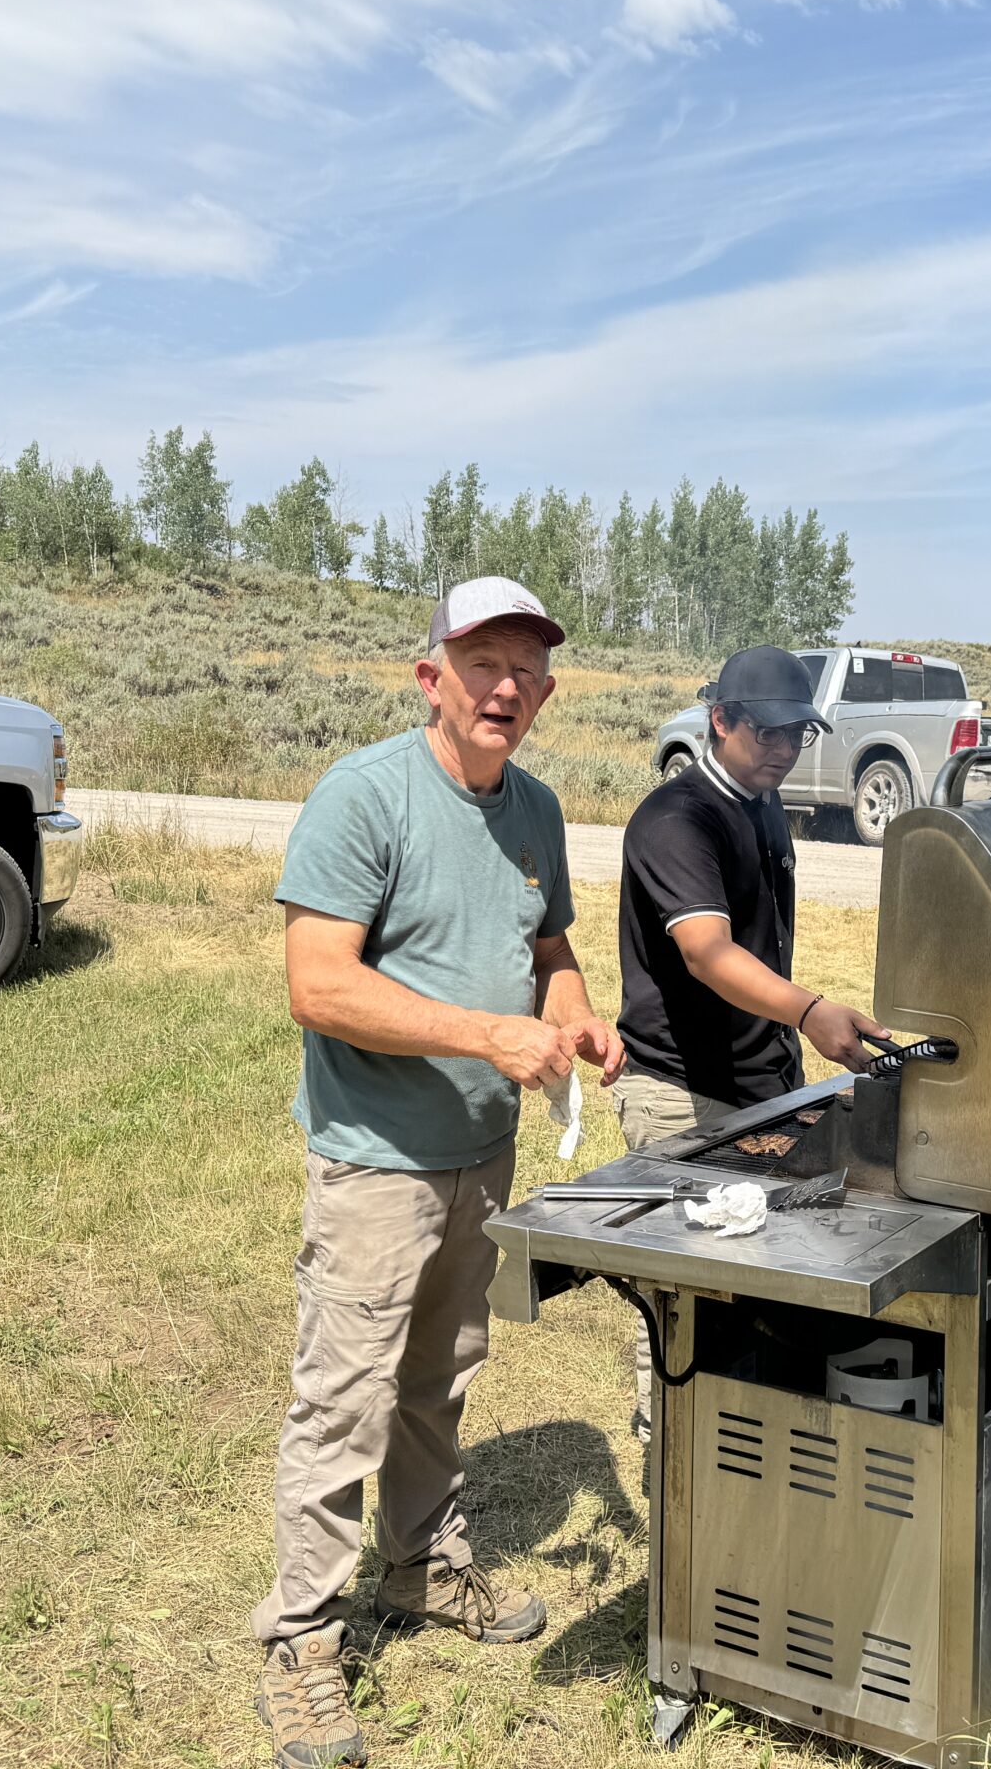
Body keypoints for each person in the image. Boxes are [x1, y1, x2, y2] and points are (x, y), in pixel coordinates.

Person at [251, 575, 623, 1769]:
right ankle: (300, 1644)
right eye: (481, 664)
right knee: (343, 1397)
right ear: (432, 680)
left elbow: (548, 949)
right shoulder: (365, 797)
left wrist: (572, 1017)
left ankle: (419, 1570)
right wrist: (486, 1033)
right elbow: (319, 986)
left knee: (440, 1376)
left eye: (524, 670)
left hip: (483, 1156)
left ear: (548, 694)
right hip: (377, 1164)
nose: (504, 686)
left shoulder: (538, 811)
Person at [611, 644, 889, 1438]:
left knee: (761, 1274)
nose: (780, 748)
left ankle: (738, 1436)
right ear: (718, 720)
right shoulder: (676, 817)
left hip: (761, 1083)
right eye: (764, 732)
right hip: (680, 1090)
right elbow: (707, 951)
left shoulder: (764, 805)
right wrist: (810, 1011)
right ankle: (663, 1444)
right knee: (684, 1286)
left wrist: (792, 1039)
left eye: (795, 734)